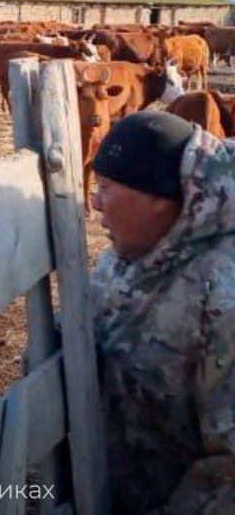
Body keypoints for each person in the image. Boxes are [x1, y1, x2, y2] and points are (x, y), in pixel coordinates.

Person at [90, 110, 235, 514]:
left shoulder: (223, 294)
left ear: (160, 199)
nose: (94, 202)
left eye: (105, 187)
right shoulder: (125, 258)